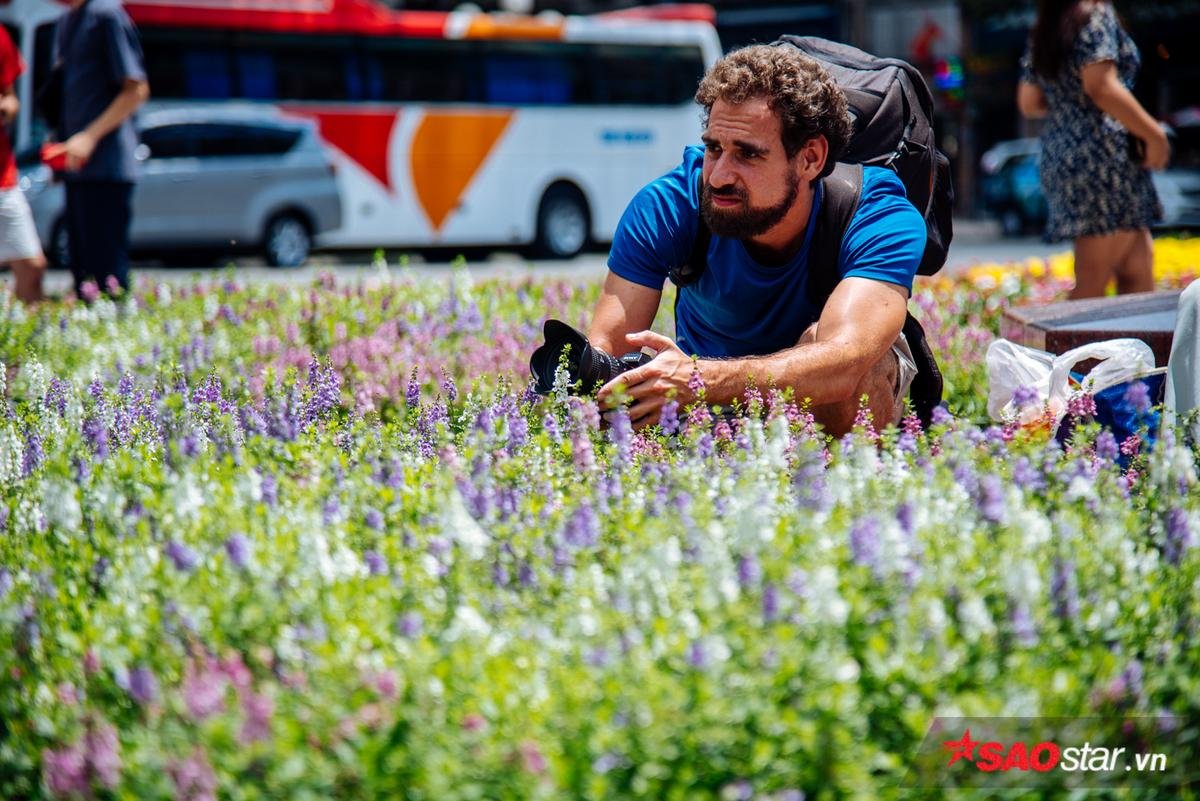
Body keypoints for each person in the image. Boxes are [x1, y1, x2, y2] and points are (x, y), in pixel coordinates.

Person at [588, 45, 927, 437]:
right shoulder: (669, 203)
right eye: (714, 148)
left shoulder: (877, 214)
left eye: (747, 155)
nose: (718, 176)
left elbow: (844, 365)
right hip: (709, 413)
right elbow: (608, 352)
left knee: (851, 361)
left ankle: (837, 493)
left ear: (810, 159)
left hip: (818, 408)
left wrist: (699, 380)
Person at [1017, 0, 1168, 300]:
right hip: (1103, 156)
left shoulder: (1048, 26)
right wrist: (1155, 136)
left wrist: (1067, 105)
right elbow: (1100, 85)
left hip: (1064, 152)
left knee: (1137, 266)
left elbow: (1029, 101)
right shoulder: (1095, 13)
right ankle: (1069, 347)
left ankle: (1135, 346)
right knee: (1093, 277)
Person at [43, 0, 149, 299]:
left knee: (107, 277)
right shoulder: (66, 22)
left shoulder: (106, 15)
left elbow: (136, 90)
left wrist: (88, 137)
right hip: (77, 170)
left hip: (107, 167)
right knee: (82, 277)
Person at [0, 27, 47, 305]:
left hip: (3, 175)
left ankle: (26, 347)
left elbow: (11, 98)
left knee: (32, 266)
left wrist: (6, 107)